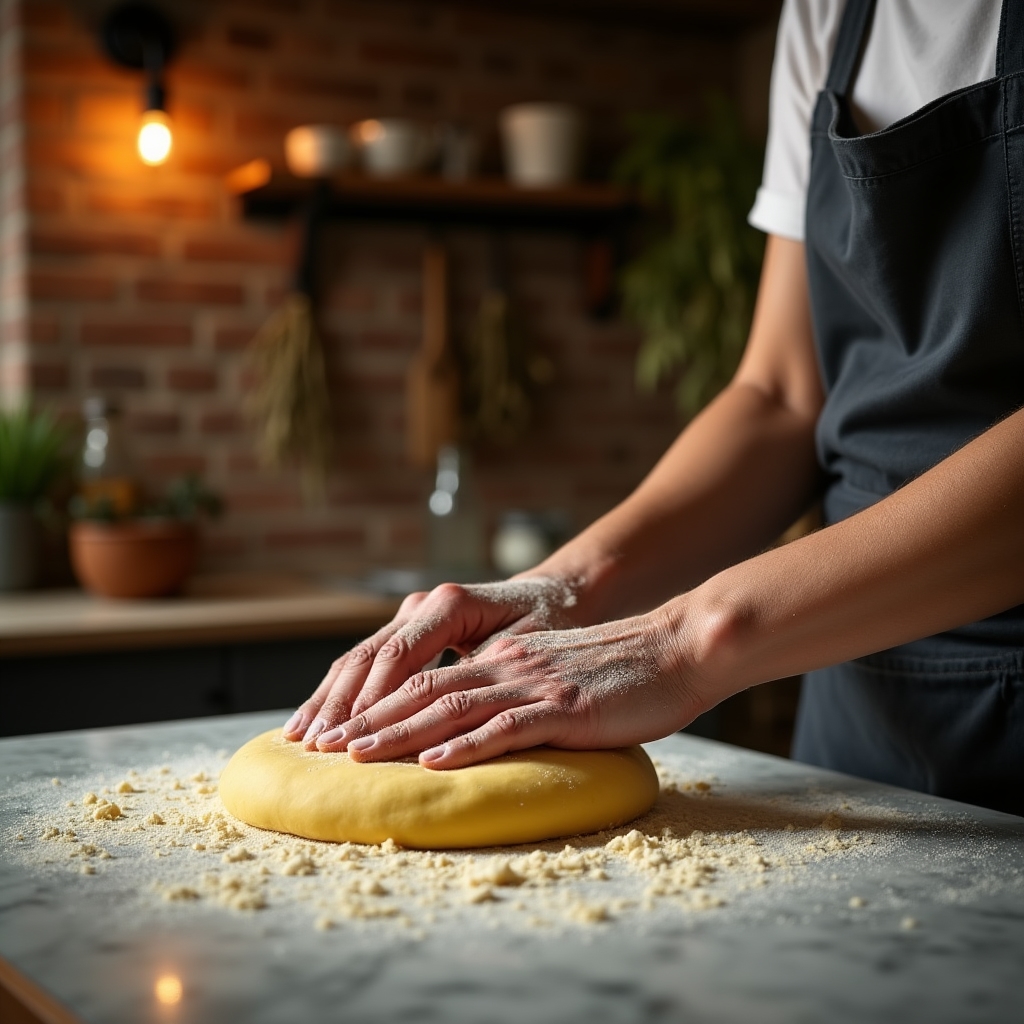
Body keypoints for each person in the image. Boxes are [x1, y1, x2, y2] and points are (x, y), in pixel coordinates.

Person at [283, 0, 1024, 817]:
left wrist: (684, 642)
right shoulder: (826, 14)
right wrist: (566, 586)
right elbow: (780, 394)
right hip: (863, 714)